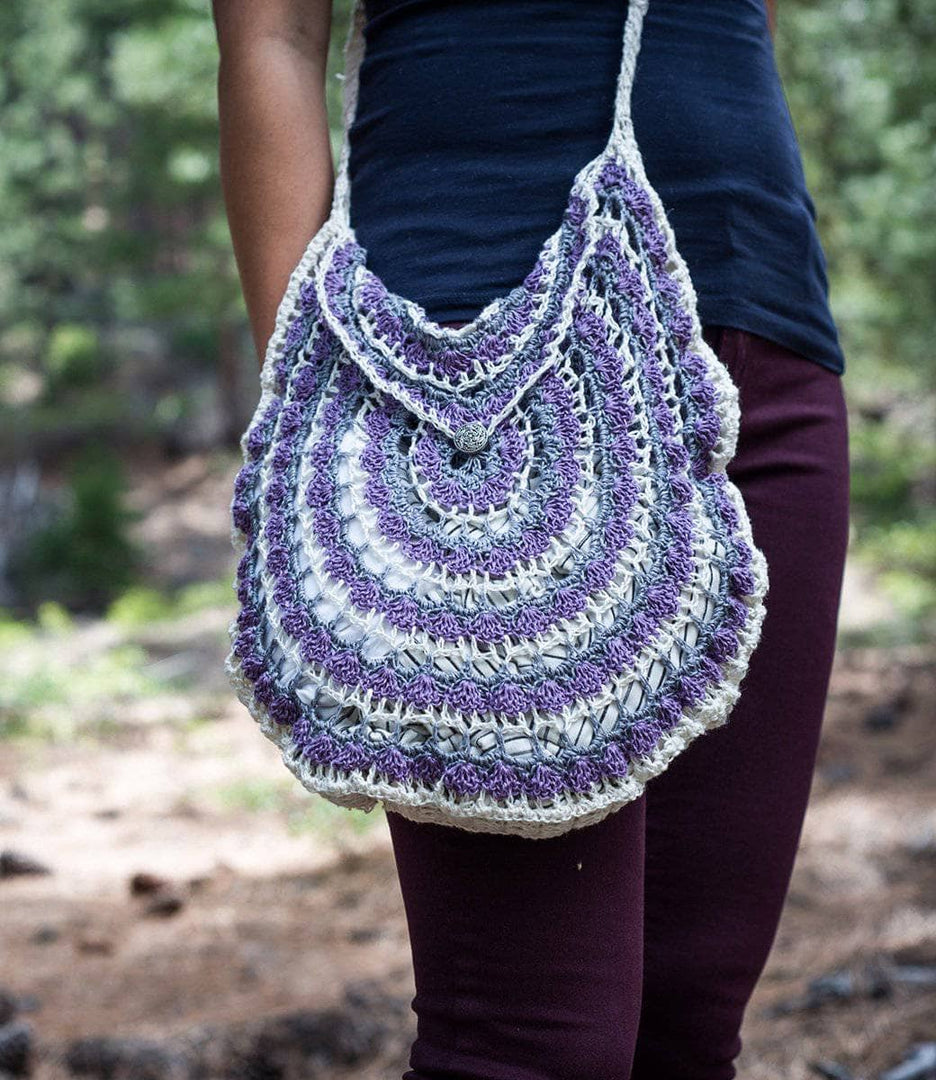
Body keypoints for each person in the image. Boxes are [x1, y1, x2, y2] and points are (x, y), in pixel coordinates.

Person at [211, 1, 850, 1077]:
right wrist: (307, 386)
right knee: (531, 1043)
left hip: (760, 337)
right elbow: (273, 37)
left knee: (689, 1014)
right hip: (469, 368)